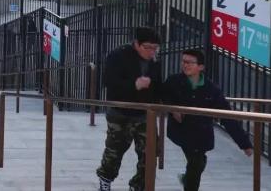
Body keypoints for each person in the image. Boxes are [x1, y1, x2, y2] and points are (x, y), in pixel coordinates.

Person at [162, 49, 253, 190]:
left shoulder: (211, 89)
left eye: (190, 62)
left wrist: (244, 144)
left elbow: (227, 116)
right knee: (196, 163)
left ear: (201, 67)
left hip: (201, 134)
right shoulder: (174, 81)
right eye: (184, 61)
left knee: (196, 164)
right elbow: (163, 95)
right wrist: (173, 109)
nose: (185, 65)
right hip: (182, 131)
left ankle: (187, 179)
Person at [96, 27, 164, 191]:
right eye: (147, 47)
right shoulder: (118, 55)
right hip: (120, 112)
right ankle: (105, 179)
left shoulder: (155, 60)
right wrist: (134, 85)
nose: (151, 52)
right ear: (136, 44)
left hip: (145, 113)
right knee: (115, 150)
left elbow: (158, 85)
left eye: (155, 48)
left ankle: (138, 186)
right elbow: (109, 81)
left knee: (149, 153)